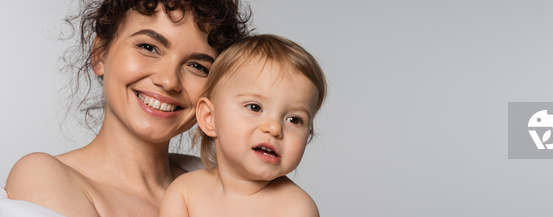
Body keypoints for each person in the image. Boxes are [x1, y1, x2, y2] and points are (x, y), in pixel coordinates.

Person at [4, 0, 249, 216]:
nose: (168, 80)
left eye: (197, 66)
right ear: (100, 54)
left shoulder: (216, 180)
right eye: (149, 47)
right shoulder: (45, 176)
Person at [158, 34, 326, 217]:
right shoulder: (185, 191)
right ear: (209, 117)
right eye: (255, 107)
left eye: (294, 119)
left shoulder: (296, 208)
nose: (274, 128)